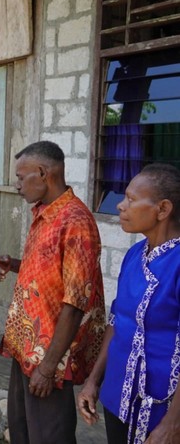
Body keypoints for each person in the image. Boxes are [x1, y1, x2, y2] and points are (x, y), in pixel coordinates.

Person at [0, 140, 105, 444]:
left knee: (49, 436)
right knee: (23, 431)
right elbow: (49, 268)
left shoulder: (76, 222)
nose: (16, 185)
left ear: (42, 173)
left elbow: (76, 302)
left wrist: (49, 365)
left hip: (50, 356)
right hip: (25, 347)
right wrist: (13, 264)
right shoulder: (44, 212)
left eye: (20, 177)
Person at [77, 164, 180, 444]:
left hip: (164, 407)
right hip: (119, 395)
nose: (121, 206)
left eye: (132, 200)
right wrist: (93, 381)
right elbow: (118, 321)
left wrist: (174, 423)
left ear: (163, 209)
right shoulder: (134, 254)